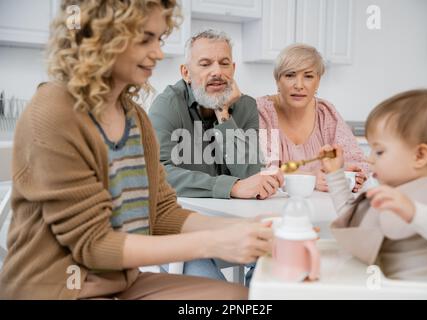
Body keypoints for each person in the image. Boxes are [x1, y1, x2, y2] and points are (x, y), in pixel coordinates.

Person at [0, 0, 273, 299]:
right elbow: (94, 245)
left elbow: (162, 212)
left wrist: (248, 228)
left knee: (242, 300)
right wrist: (213, 242)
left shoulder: (134, 116)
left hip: (123, 283)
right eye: (145, 39)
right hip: (55, 288)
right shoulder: (54, 111)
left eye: (159, 39)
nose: (157, 52)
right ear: (102, 38)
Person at [320, 89, 427, 282]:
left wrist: (415, 213)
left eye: (379, 152)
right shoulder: (394, 193)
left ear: (420, 156)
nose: (369, 158)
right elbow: (355, 222)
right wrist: (335, 174)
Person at [149, 29, 283, 200]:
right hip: (185, 213)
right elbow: (156, 172)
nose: (217, 72)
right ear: (186, 73)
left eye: (224, 63)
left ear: (233, 69)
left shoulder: (246, 106)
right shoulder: (167, 105)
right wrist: (232, 187)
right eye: (205, 64)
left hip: (238, 214)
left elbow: (252, 174)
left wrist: (223, 112)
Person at [257, 43, 368, 192]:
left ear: (318, 81)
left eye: (308, 76)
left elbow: (358, 161)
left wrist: (350, 172)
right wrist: (311, 177)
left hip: (322, 207)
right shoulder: (262, 112)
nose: (299, 85)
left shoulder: (325, 112)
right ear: (277, 79)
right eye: (290, 75)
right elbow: (262, 170)